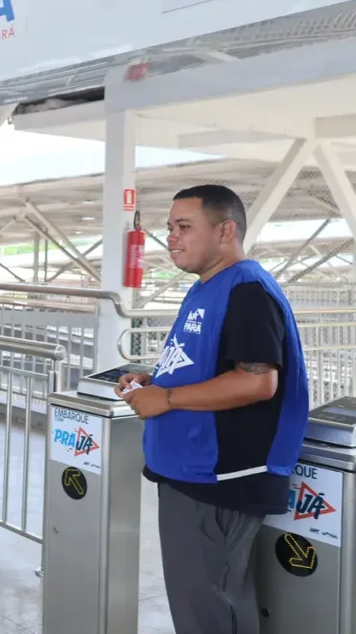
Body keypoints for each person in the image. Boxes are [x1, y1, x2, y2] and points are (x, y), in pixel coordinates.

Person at [115, 184, 309, 634]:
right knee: (200, 601)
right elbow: (210, 365)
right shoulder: (208, 287)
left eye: (184, 227)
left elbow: (259, 380)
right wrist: (156, 379)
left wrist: (165, 398)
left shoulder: (246, 290)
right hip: (189, 472)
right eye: (169, 228)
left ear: (225, 231)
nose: (172, 238)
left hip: (219, 479)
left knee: (209, 607)